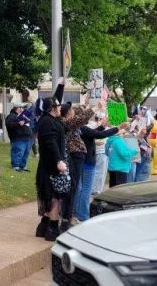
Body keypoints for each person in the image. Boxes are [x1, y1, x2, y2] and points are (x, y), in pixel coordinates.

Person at [35, 80, 66, 241]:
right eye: (58, 106)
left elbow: (55, 100)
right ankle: (52, 229)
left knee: (50, 197)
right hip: (51, 167)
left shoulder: (48, 118)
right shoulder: (48, 122)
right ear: (52, 109)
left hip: (49, 166)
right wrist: (59, 160)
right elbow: (50, 143)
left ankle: (44, 226)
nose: (61, 108)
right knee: (54, 197)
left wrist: (61, 86)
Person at [60, 98, 98, 231]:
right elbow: (79, 119)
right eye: (70, 110)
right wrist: (94, 108)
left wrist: (86, 104)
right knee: (73, 187)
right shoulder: (66, 122)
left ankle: (68, 216)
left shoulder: (70, 122)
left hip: (78, 157)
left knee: (75, 187)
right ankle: (67, 217)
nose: (73, 111)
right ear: (66, 113)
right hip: (74, 157)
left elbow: (79, 114)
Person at [74, 115, 118, 222]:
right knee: (86, 190)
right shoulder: (83, 128)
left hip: (81, 161)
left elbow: (94, 133)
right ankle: (83, 215)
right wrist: (117, 128)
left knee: (80, 189)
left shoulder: (78, 129)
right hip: (88, 162)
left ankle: (76, 212)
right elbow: (99, 134)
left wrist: (102, 126)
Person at [5, 103, 32, 172]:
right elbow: (9, 125)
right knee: (18, 151)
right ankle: (16, 166)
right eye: (21, 107)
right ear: (17, 108)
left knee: (25, 153)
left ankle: (22, 166)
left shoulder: (22, 115)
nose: (22, 109)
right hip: (18, 137)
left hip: (27, 136)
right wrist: (18, 123)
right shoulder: (11, 116)